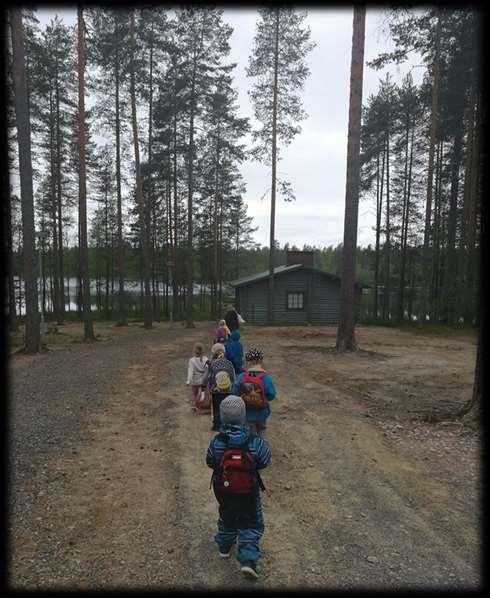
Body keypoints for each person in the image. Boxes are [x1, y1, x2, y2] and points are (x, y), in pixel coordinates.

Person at [206, 395, 271, 579]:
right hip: (248, 491)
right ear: (243, 417)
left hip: (224, 490)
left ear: (222, 416)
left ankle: (225, 547)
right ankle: (248, 559)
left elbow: (210, 460)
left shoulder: (217, 441)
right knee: (250, 521)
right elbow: (265, 460)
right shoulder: (255, 441)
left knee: (226, 516)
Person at [233, 347, 276, 439]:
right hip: (262, 412)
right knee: (262, 429)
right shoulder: (266, 377)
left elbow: (234, 392)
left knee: (250, 434)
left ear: (248, 362)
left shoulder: (242, 377)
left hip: (246, 413)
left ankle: (252, 449)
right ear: (261, 362)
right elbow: (272, 394)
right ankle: (263, 448)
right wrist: (263, 398)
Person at [201, 343, 236, 431]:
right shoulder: (229, 363)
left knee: (216, 407)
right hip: (228, 390)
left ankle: (217, 425)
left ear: (213, 353)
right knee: (227, 406)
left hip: (216, 391)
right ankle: (228, 423)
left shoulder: (212, 363)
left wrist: (203, 385)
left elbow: (206, 376)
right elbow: (233, 377)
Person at [186, 342, 209, 412]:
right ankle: (203, 404)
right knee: (203, 393)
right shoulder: (205, 359)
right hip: (204, 381)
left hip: (195, 381)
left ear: (194, 351)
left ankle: (195, 405)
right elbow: (208, 369)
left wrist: (188, 381)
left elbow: (190, 372)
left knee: (195, 394)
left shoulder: (192, 361)